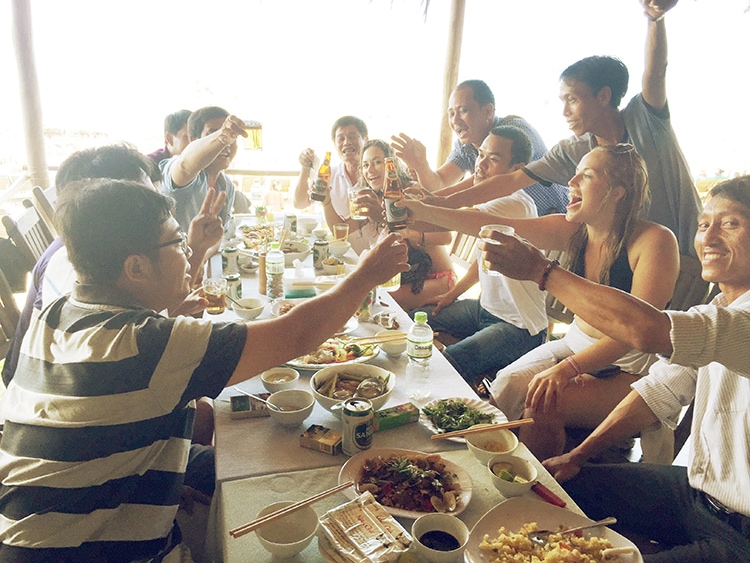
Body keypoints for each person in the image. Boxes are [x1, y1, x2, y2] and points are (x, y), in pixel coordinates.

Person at [0, 178, 408, 561]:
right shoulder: (148, 345)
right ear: (136, 268)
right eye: (177, 242)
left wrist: (193, 250)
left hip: (28, 532)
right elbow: (296, 335)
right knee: (273, 481)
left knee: (235, 464)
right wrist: (366, 275)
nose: (187, 252)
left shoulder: (58, 313)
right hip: (84, 553)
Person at [480, 175, 750, 562]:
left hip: (741, 534)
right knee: (545, 486)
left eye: (731, 223)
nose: (708, 237)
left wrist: (543, 272)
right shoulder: (721, 309)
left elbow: (646, 329)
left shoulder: (738, 320)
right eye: (704, 223)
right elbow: (658, 393)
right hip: (695, 493)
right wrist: (577, 455)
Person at [402, 145, 679, 462]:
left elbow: (635, 335)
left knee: (542, 402)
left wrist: (567, 369)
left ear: (618, 192)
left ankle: (535, 481)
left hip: (629, 369)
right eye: (575, 173)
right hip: (575, 343)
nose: (571, 181)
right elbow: (486, 222)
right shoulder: (576, 230)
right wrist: (416, 211)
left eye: (586, 176)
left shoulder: (654, 241)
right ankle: (479, 463)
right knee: (506, 384)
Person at [423, 2, 702, 258]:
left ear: (603, 96)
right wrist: (440, 204)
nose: (565, 112)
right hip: (631, 261)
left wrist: (655, 19)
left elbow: (655, 73)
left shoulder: (645, 118)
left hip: (688, 256)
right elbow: (510, 181)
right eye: (562, 101)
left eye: (572, 100)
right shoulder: (574, 150)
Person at [2, 144, 223, 387]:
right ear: (105, 203)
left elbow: (144, 313)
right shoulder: (76, 270)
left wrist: (195, 249)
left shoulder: (94, 252)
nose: (156, 204)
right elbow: (111, 357)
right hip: (42, 389)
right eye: (143, 197)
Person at [411, 126, 548, 390]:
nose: (480, 164)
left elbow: (444, 222)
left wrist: (409, 208)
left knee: (447, 364)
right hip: (485, 309)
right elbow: (485, 259)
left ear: (517, 169)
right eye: (480, 155)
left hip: (520, 327)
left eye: (492, 159)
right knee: (416, 318)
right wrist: (452, 294)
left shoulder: (515, 204)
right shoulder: (493, 202)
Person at [391, 79, 568, 215]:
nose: (455, 120)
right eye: (451, 113)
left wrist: (433, 201)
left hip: (560, 218)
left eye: (463, 110)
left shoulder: (514, 132)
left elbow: (489, 184)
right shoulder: (466, 146)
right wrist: (421, 166)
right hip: (517, 231)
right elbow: (440, 184)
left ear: (488, 111)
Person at [335, 139, 456, 308]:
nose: (370, 170)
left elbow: (446, 236)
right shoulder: (377, 198)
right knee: (355, 286)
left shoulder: (410, 191)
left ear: (391, 165)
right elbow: (343, 229)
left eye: (377, 162)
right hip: (410, 279)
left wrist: (408, 233)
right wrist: (326, 201)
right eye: (365, 165)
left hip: (439, 280)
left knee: (373, 299)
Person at [160, 106, 241, 234]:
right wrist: (220, 137)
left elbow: (221, 235)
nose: (226, 144)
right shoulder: (181, 170)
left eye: (232, 136)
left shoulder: (227, 185)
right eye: (213, 133)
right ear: (193, 140)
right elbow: (184, 166)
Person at [293, 115, 368, 216]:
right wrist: (305, 167)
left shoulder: (375, 174)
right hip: (335, 227)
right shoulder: (328, 174)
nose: (347, 142)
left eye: (352, 137)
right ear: (335, 145)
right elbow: (299, 204)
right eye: (341, 139)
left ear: (366, 140)